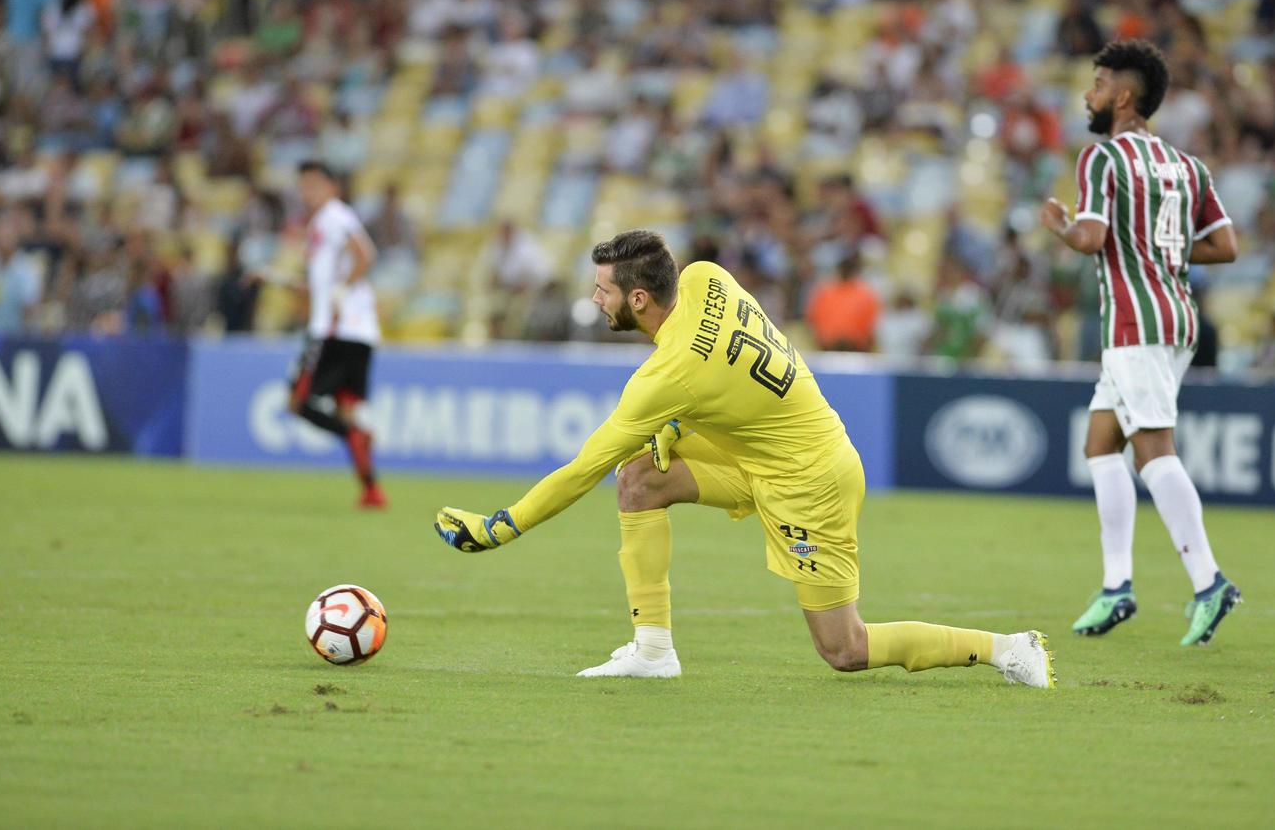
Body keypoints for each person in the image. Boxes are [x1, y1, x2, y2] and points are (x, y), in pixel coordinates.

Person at [435, 230, 1054, 686]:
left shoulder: (667, 373)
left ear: (642, 298)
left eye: (603, 291)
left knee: (845, 649)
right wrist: (679, 426)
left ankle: (1006, 648)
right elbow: (726, 374)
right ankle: (653, 650)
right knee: (642, 481)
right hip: (767, 450)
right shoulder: (706, 275)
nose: (595, 300)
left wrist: (501, 527)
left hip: (810, 481)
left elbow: (579, 471)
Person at [1039, 40, 1242, 647]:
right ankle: (1116, 586)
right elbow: (1226, 245)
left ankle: (1209, 583)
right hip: (1175, 316)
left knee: (1153, 452)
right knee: (1102, 444)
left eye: (1098, 83)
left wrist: (1062, 226)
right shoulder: (1187, 166)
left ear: (1123, 97)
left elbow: (1092, 237)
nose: (1088, 94)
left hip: (1135, 323)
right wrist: (1166, 252)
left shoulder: (1101, 159)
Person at [273, 161, 387, 508]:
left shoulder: (336, 216)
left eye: (314, 184)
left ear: (332, 187)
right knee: (346, 409)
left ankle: (358, 436)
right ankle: (371, 491)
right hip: (358, 331)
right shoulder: (323, 223)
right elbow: (320, 284)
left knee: (298, 401)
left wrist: (340, 293)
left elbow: (365, 255)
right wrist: (274, 278)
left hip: (335, 331)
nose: (308, 192)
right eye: (303, 185)